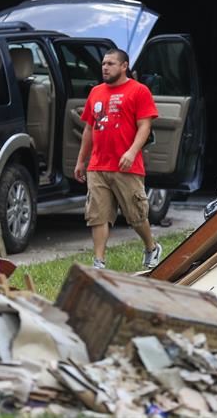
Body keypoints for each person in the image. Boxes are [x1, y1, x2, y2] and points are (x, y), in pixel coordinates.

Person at [73, 48, 162, 270]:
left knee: (136, 215)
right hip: (98, 165)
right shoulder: (95, 92)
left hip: (127, 166)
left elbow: (145, 126)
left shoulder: (139, 91)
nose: (105, 67)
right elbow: (88, 129)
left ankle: (151, 247)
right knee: (98, 216)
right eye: (103, 63)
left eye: (111, 63)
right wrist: (80, 161)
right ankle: (99, 262)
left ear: (124, 66)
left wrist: (131, 152)